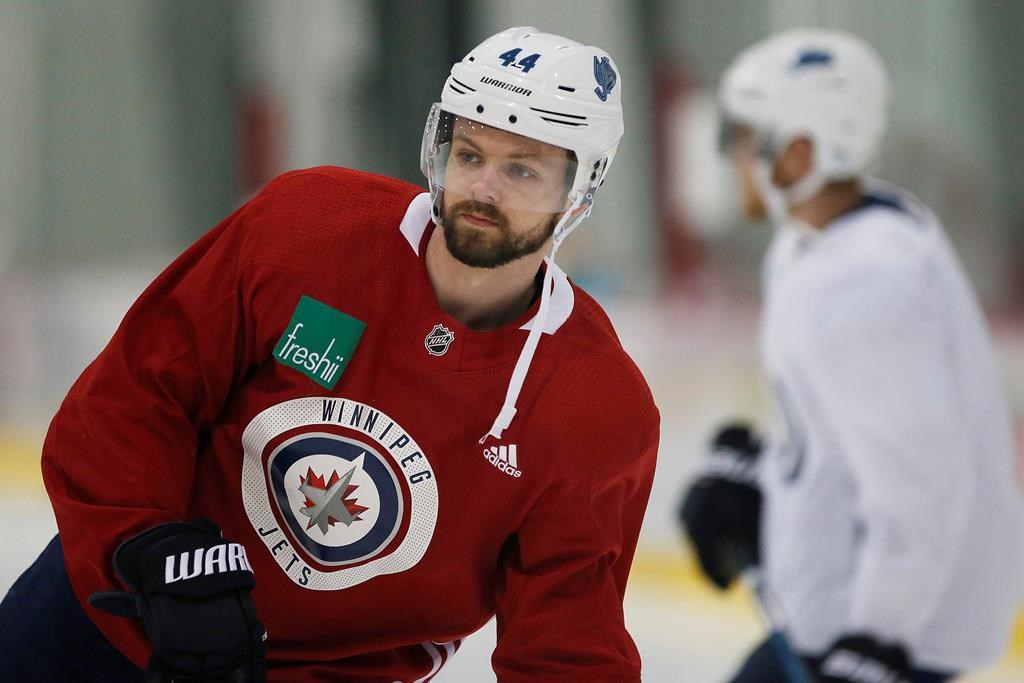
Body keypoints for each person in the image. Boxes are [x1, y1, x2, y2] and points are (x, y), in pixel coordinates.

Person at [0, 26, 659, 683]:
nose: (483, 188)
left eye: (521, 168)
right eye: (469, 153)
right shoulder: (308, 230)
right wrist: (149, 548)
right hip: (111, 616)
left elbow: (568, 642)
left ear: (582, 189)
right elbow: (137, 395)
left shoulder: (595, 406)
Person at [679, 27, 1024, 683]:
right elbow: (844, 435)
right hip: (836, 617)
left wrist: (878, 642)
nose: (731, 158)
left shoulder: (865, 279)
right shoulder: (821, 242)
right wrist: (763, 478)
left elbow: (920, 484)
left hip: (891, 638)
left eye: (745, 139)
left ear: (800, 150)